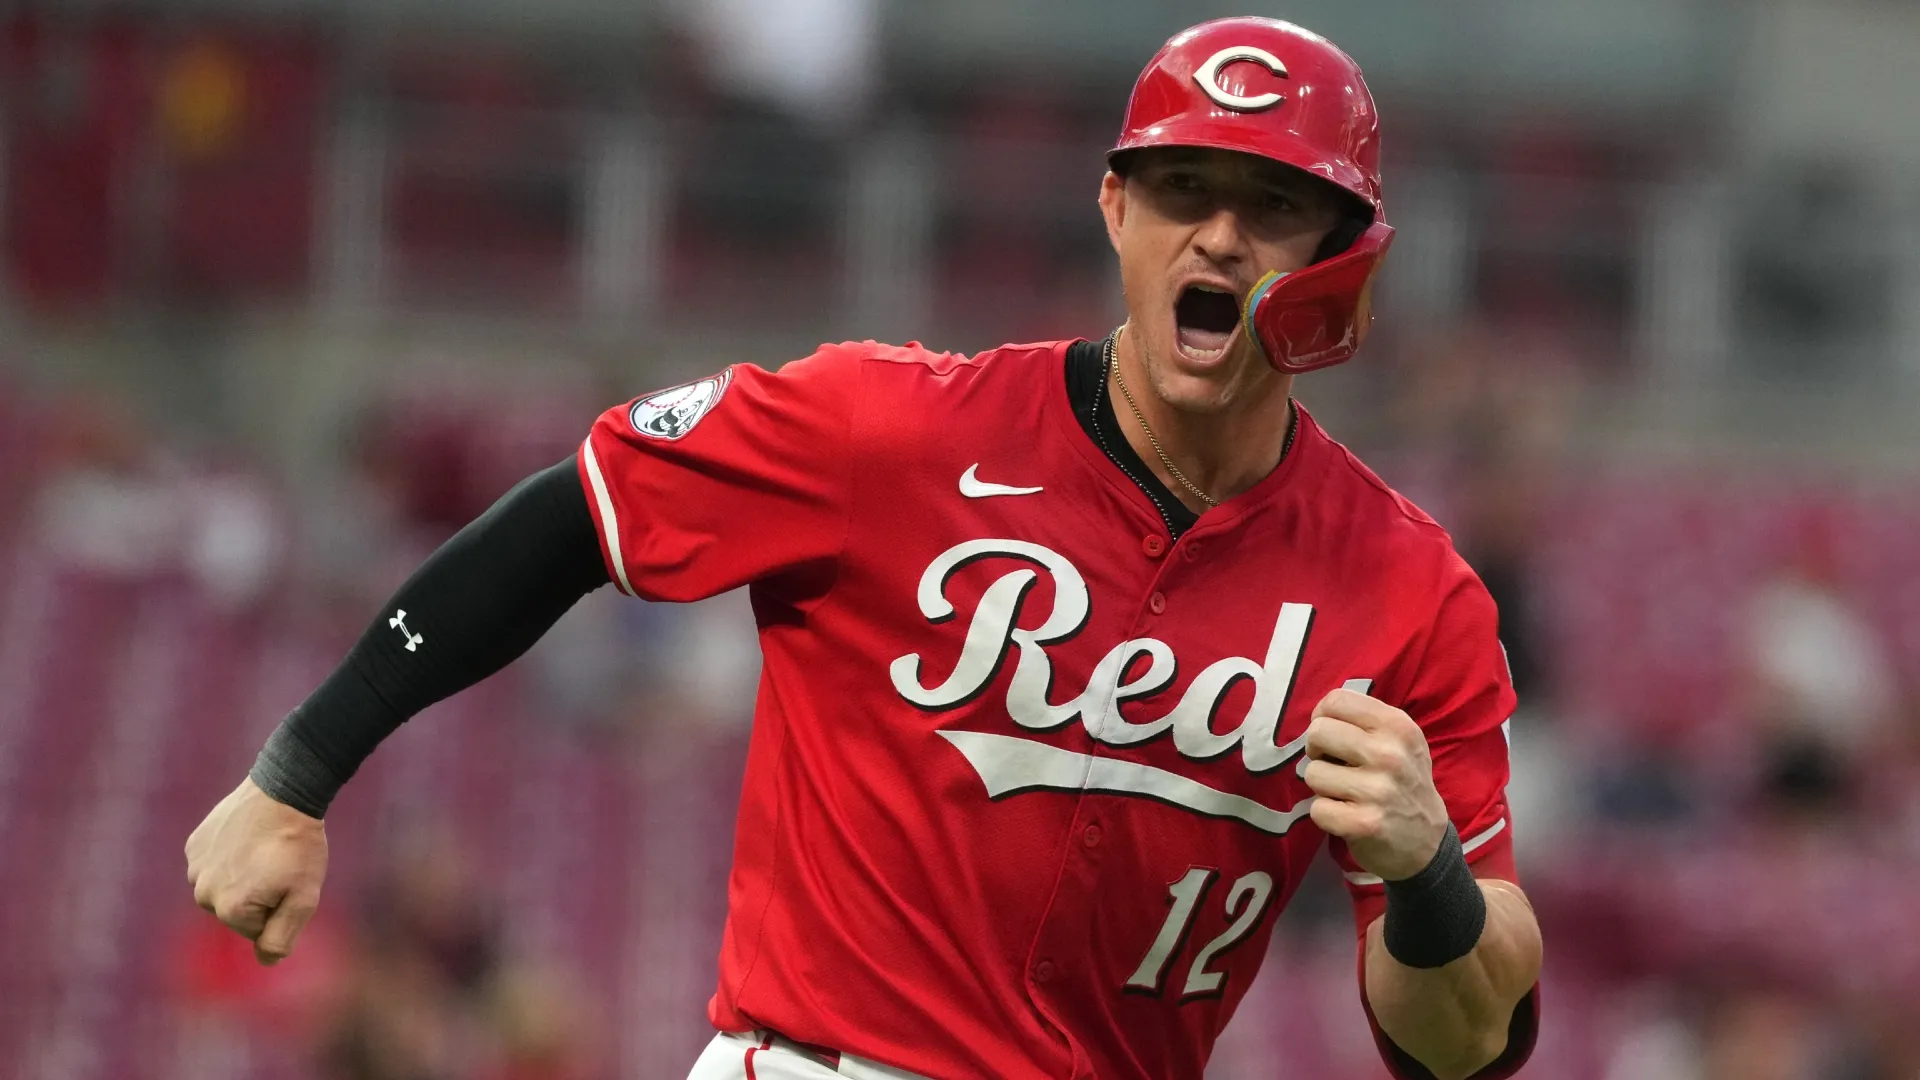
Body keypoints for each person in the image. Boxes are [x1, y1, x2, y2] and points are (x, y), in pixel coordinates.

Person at [185, 17, 1541, 1080]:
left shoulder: (1410, 593)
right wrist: (300, 771)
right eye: (1182, 186)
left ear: (1346, 260)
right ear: (1116, 211)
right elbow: (577, 514)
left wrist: (1426, 874)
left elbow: (1463, 1048)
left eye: (1275, 202)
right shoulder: (889, 431)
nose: (1223, 236)